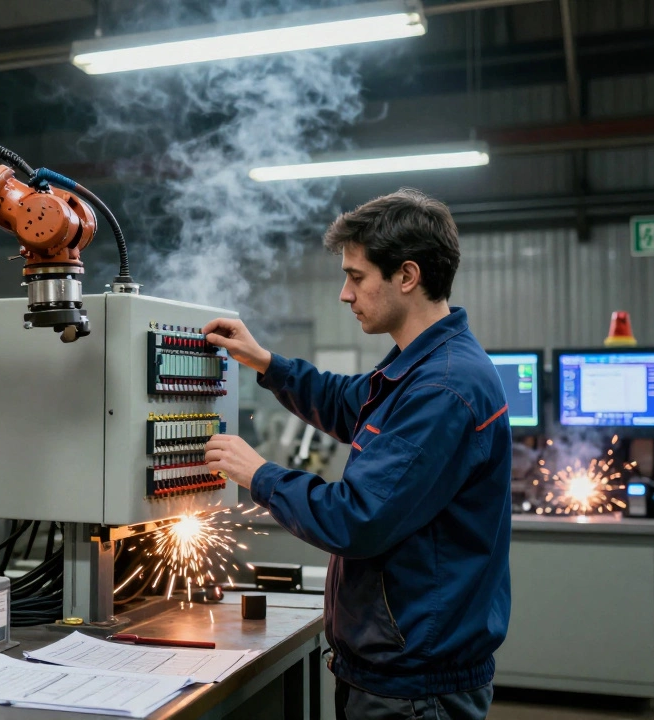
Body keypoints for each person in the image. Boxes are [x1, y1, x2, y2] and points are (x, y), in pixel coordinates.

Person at [203, 188, 512, 720]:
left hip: (414, 687)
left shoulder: (442, 387)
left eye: (357, 276)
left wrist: (260, 474)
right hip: (396, 670)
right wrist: (266, 362)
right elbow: (348, 403)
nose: (345, 294)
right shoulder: (420, 366)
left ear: (407, 276)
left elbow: (355, 518)